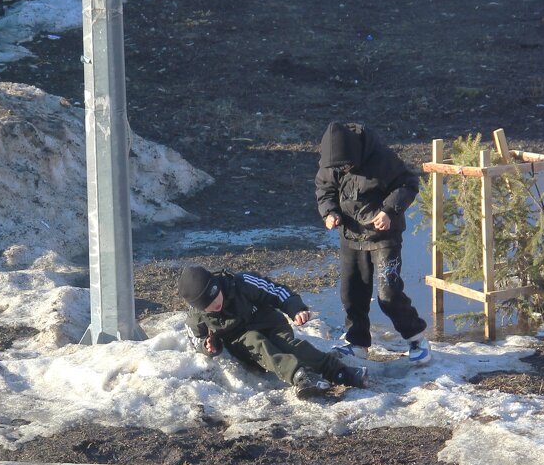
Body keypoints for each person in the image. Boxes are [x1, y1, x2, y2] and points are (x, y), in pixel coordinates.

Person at [314, 121, 430, 365]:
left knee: (388, 293)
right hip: (351, 235)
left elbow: (409, 184)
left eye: (346, 165)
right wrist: (330, 213)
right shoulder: (330, 164)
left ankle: (417, 338)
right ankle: (357, 344)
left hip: (384, 236)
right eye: (339, 167)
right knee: (351, 293)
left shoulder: (382, 158)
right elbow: (324, 190)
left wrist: (389, 211)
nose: (343, 169)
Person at [177, 265, 368, 399]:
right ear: (200, 308)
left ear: (217, 284)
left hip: (270, 324)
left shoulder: (240, 283)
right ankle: (299, 376)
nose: (215, 304)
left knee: (290, 345)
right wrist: (208, 346)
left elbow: (276, 291)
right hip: (241, 341)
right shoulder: (196, 316)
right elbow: (196, 338)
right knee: (257, 343)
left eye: (215, 296)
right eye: (209, 306)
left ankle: (340, 372)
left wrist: (296, 309)